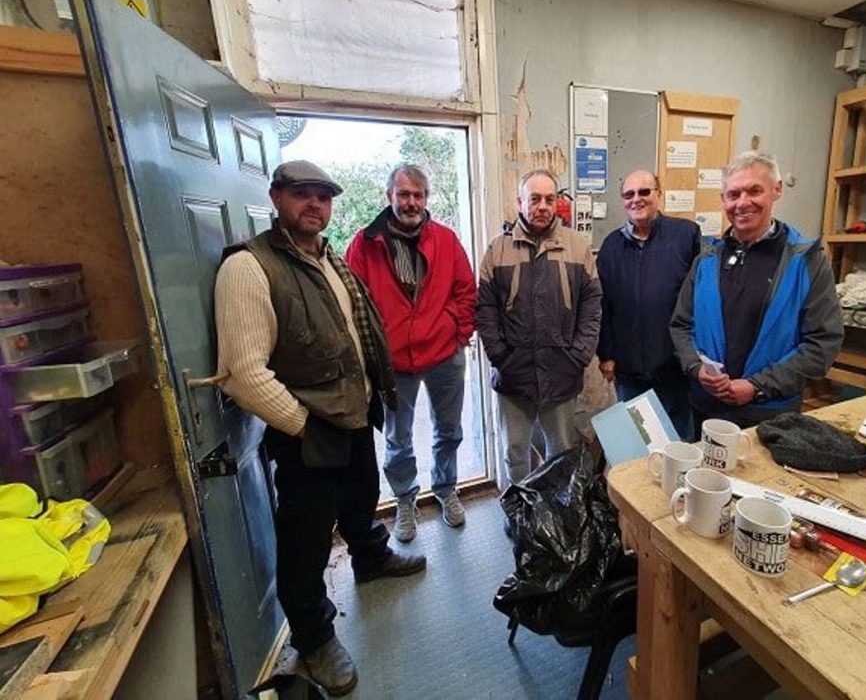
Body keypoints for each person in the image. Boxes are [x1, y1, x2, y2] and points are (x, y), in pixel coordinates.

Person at [214, 160, 426, 696]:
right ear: (276, 197)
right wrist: (302, 425)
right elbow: (242, 373)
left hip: (351, 413)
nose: (315, 204)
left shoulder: (327, 258)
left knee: (361, 495)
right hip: (309, 425)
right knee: (306, 540)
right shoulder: (248, 267)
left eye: (323, 196)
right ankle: (314, 639)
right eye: (301, 194)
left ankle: (371, 557)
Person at [345, 163, 476, 542]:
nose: (411, 202)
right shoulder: (364, 243)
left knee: (449, 430)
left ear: (426, 199)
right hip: (393, 362)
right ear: (390, 197)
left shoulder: (447, 240)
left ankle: (446, 488)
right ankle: (405, 499)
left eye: (418, 195)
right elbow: (353, 302)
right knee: (397, 438)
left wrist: (459, 332)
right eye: (404, 194)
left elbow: (466, 291)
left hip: (444, 355)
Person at [670, 151, 843, 430]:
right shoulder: (707, 258)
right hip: (705, 408)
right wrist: (696, 368)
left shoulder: (805, 260)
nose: (742, 203)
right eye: (733, 194)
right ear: (723, 199)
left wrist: (757, 386)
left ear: (777, 190)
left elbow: (822, 343)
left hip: (769, 416)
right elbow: (680, 325)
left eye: (754, 191)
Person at [476, 168, 602, 488]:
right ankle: (518, 514)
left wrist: (578, 357)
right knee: (515, 452)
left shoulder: (577, 246)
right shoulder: (497, 249)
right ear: (520, 202)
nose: (542, 206)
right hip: (513, 375)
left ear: (557, 203)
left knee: (560, 453)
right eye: (534, 199)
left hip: (562, 373)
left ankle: (555, 520)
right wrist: (500, 356)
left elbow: (592, 307)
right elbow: (485, 309)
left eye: (549, 199)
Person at [596, 169, 700, 440]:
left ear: (659, 195)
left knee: (680, 444)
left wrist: (696, 354)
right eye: (629, 194)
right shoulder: (611, 246)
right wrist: (606, 354)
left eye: (644, 192)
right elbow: (604, 305)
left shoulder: (686, 236)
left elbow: (701, 299)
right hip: (628, 367)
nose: (636, 199)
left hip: (674, 364)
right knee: (637, 443)